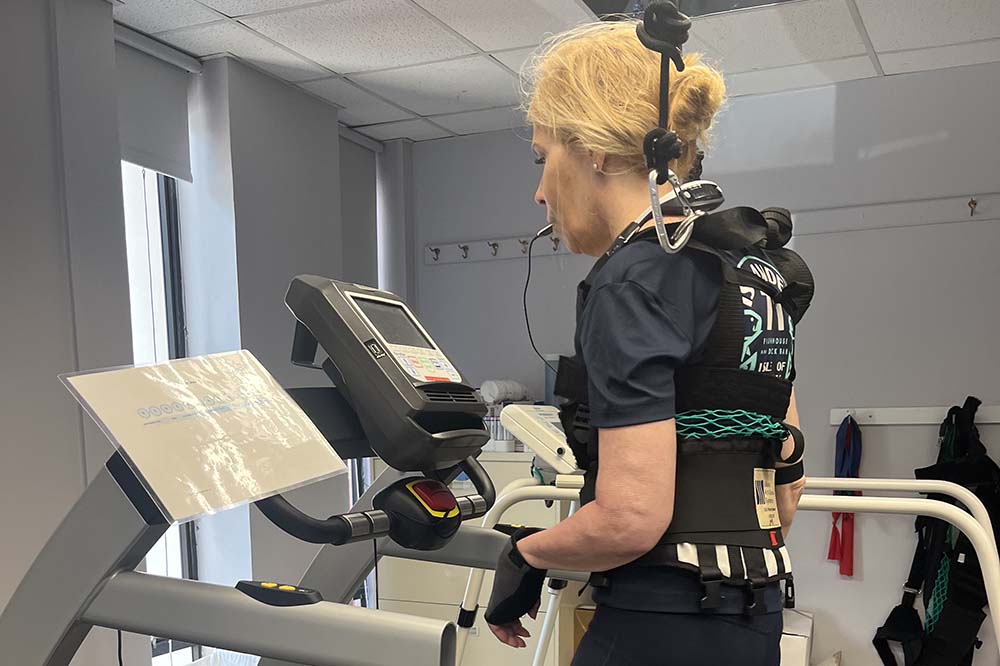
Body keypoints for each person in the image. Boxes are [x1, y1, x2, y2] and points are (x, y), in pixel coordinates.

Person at [483, 18, 813, 666]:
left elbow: (632, 518)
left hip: (658, 625)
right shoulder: (750, 270)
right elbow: (787, 490)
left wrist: (524, 554)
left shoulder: (631, 282)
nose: (540, 191)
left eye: (543, 156)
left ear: (596, 152)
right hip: (754, 619)